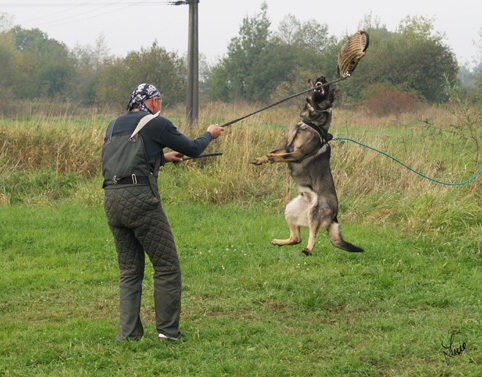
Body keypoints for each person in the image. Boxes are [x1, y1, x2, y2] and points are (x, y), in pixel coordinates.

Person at [102, 83, 224, 342]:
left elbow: (125, 161)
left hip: (112, 202)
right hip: (140, 202)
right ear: (153, 102)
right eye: (160, 100)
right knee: (167, 266)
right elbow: (193, 147)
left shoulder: (113, 125)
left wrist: (163, 158)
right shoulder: (156, 123)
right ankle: (168, 332)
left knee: (130, 271)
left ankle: (128, 335)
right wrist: (209, 134)